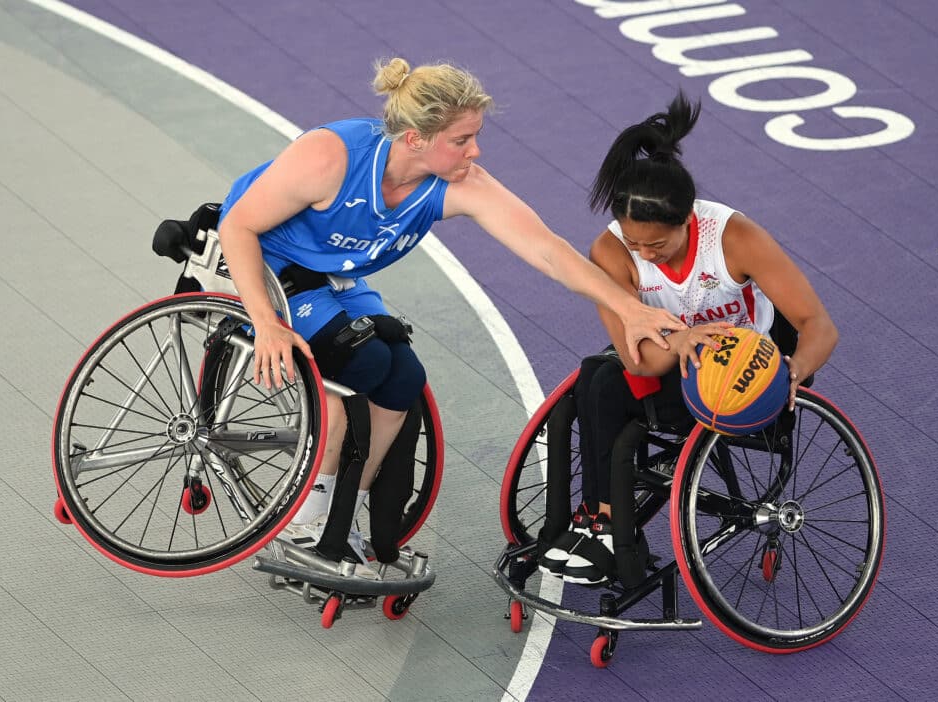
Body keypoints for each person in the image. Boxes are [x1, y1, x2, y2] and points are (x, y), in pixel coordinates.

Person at [217, 57, 685, 571]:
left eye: (474, 136)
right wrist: (265, 322)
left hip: (332, 277)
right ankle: (306, 522)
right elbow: (238, 227)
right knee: (361, 365)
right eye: (461, 140)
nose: (475, 150)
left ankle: (334, 511)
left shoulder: (459, 185)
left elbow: (548, 250)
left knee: (403, 377)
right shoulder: (332, 157)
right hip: (259, 263)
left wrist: (628, 308)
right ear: (416, 139)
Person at [537, 91, 838, 587]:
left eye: (657, 244)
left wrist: (794, 371)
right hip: (666, 363)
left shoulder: (735, 238)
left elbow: (820, 326)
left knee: (606, 383)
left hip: (741, 379)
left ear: (688, 220)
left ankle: (608, 525)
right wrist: (680, 342)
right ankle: (597, 521)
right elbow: (639, 360)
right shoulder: (610, 252)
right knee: (596, 374)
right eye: (634, 243)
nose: (645, 255)